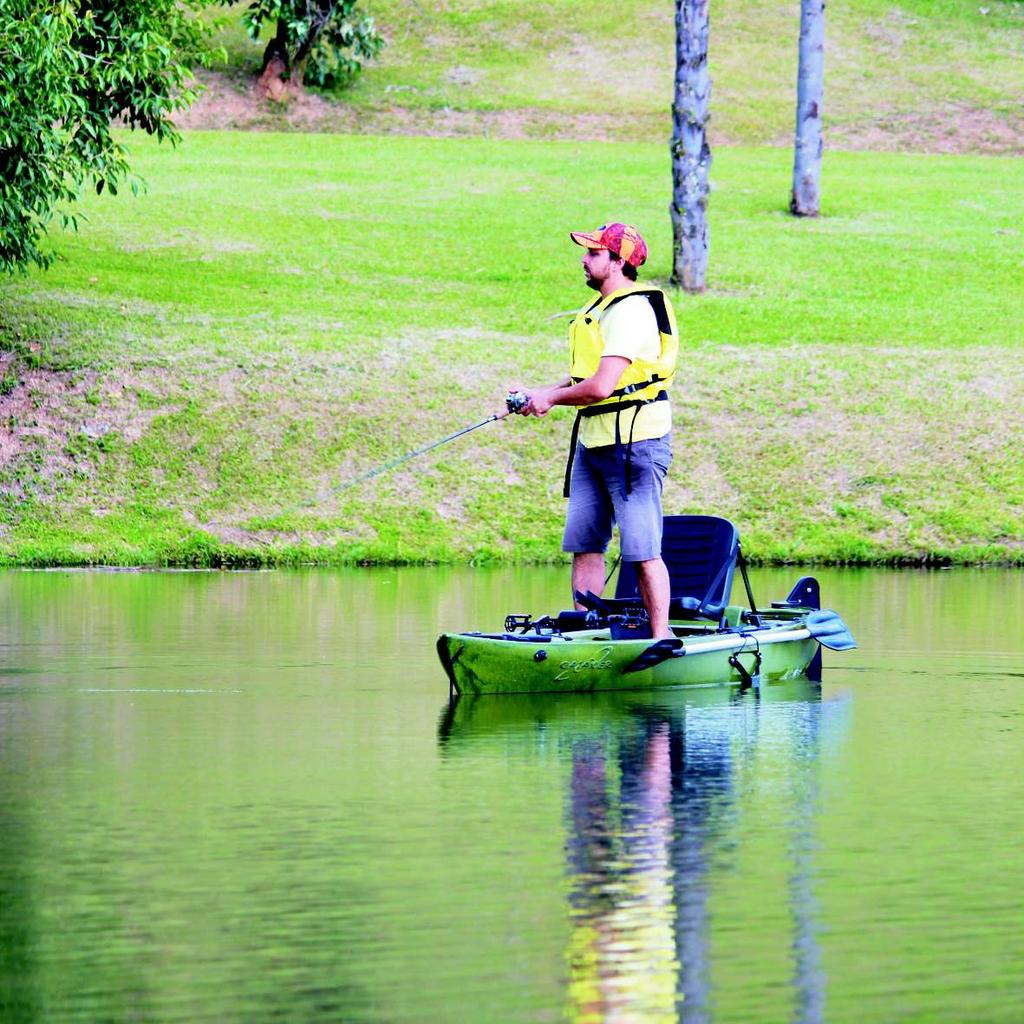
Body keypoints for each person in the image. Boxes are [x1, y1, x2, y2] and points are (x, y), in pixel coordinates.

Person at [515, 223, 678, 638]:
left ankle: (662, 638)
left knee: (642, 550)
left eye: (593, 253)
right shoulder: (600, 310)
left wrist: (549, 400)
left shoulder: (631, 311)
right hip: (594, 440)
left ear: (619, 262)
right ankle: (587, 637)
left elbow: (602, 386)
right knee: (585, 543)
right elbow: (583, 380)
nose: (584, 260)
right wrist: (536, 394)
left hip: (636, 444)